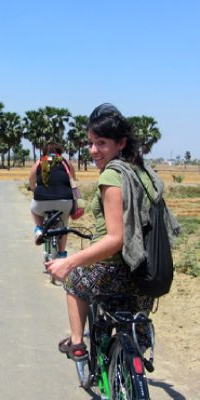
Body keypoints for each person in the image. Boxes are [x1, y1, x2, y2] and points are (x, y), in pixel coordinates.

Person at [46, 103, 179, 360]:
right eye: (91, 143)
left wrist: (69, 261)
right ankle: (131, 360)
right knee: (133, 334)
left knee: (74, 280)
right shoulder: (142, 173)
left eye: (102, 143)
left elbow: (115, 239)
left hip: (113, 270)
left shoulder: (112, 177)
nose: (94, 150)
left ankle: (76, 343)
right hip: (145, 273)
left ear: (121, 143)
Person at [29, 142, 76, 256]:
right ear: (59, 152)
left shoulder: (40, 162)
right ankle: (62, 254)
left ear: (45, 152)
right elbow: (73, 178)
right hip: (64, 201)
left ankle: (39, 229)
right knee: (63, 227)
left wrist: (33, 189)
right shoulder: (66, 162)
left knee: (33, 208)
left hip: (41, 201)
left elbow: (31, 180)